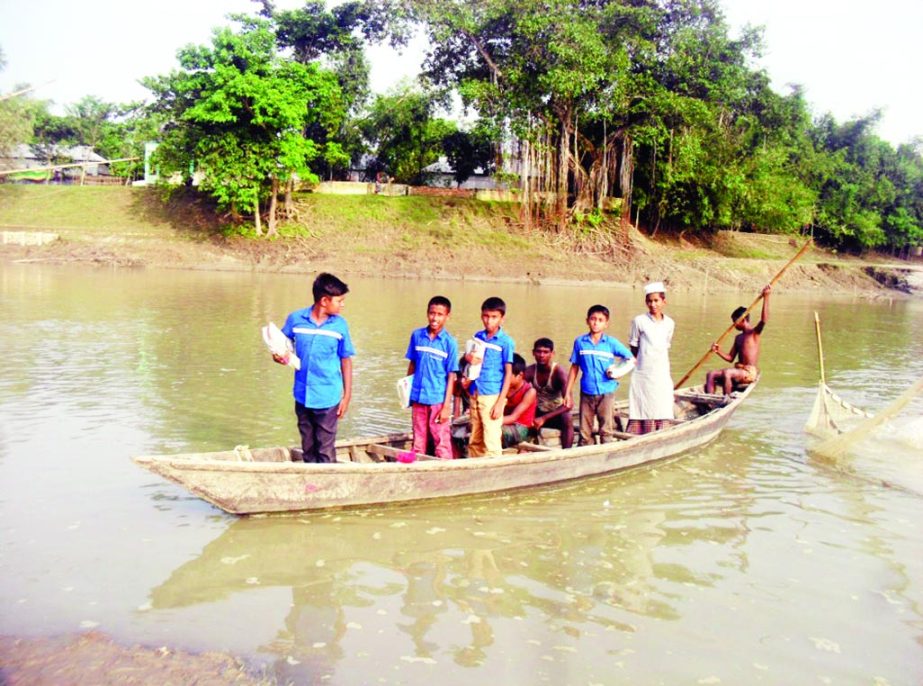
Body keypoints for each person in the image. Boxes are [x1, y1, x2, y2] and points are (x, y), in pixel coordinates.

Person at [276, 272, 355, 463]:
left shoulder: (340, 325)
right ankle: (311, 485)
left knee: (325, 447)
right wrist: (278, 355)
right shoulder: (296, 319)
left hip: (328, 396)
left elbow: (346, 360)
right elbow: (281, 344)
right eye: (340, 301)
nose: (342, 304)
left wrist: (346, 396)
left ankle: (328, 484)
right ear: (324, 301)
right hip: (302, 394)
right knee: (308, 446)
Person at [564, 304, 634, 445]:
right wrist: (567, 392)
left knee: (606, 430)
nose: (596, 322)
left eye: (600, 320)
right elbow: (574, 368)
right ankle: (585, 454)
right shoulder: (580, 342)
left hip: (606, 392)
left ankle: (606, 456)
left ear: (606, 324)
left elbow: (631, 359)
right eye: (593, 319)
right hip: (587, 392)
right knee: (584, 431)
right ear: (587, 320)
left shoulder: (611, 343)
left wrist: (617, 372)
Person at [405, 295, 459, 459]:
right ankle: (417, 470)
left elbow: (451, 376)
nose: (435, 318)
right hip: (418, 397)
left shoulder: (450, 343)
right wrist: (407, 392)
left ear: (447, 316)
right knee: (418, 440)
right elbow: (412, 365)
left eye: (439, 314)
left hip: (437, 399)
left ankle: (445, 470)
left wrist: (446, 407)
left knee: (441, 439)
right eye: (432, 313)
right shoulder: (417, 335)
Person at [466, 296, 515, 457]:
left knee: (492, 439)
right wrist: (468, 358)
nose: (489, 321)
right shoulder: (478, 337)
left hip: (492, 394)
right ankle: (475, 468)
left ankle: (494, 471)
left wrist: (501, 402)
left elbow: (508, 372)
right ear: (481, 316)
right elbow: (471, 362)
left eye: (494, 317)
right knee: (475, 437)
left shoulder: (506, 342)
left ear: (502, 318)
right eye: (486, 316)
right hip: (475, 391)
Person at [627, 282, 676, 434]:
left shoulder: (670, 323)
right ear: (646, 302)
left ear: (663, 302)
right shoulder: (639, 321)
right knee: (642, 404)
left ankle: (660, 432)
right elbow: (634, 345)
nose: (653, 304)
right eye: (649, 301)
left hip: (661, 370)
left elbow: (665, 344)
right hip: (643, 371)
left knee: (661, 403)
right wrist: (636, 362)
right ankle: (641, 433)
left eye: (656, 300)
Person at [705, 284, 772, 395]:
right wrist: (717, 351)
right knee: (710, 374)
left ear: (743, 320)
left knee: (727, 373)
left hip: (749, 372)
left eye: (735, 321)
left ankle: (726, 400)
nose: (733, 325)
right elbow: (731, 358)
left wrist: (766, 297)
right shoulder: (738, 338)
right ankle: (708, 401)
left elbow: (764, 320)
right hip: (738, 371)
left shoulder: (754, 333)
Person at [524, 338, 574, 449]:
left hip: (555, 413)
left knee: (567, 417)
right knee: (524, 412)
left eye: (546, 352)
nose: (542, 355)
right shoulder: (530, 371)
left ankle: (567, 452)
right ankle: (526, 446)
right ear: (533, 353)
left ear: (552, 354)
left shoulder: (559, 372)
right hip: (538, 412)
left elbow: (569, 404)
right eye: (539, 351)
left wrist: (544, 418)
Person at [501, 353, 538, 448]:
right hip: (503, 423)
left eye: (508, 375)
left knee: (490, 430)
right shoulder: (503, 387)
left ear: (520, 375)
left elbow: (513, 417)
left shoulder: (530, 392)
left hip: (521, 428)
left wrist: (488, 423)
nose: (503, 378)